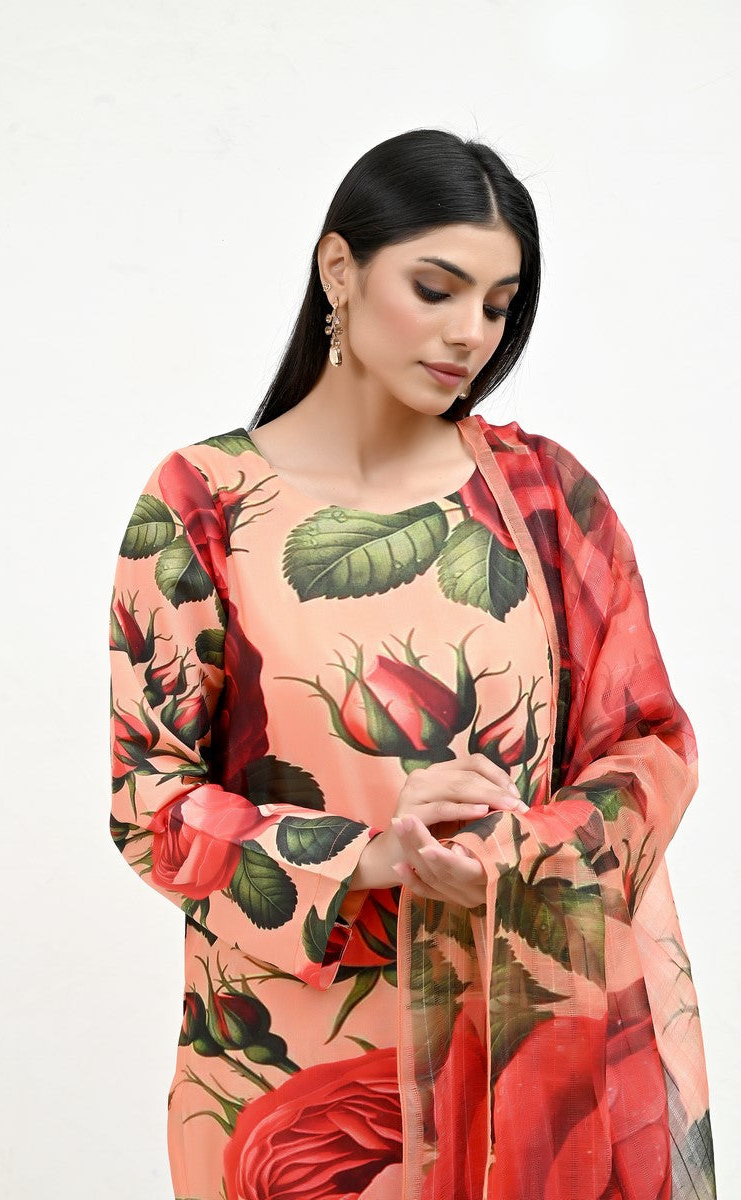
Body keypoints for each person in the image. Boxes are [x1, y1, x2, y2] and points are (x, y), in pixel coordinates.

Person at [108, 128, 716, 1200]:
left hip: (523, 1057)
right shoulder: (203, 506)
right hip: (293, 1081)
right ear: (338, 269)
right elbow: (149, 803)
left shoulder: (546, 500)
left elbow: (648, 745)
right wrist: (370, 856)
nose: (470, 332)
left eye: (498, 304)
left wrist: (524, 849)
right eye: (435, 289)